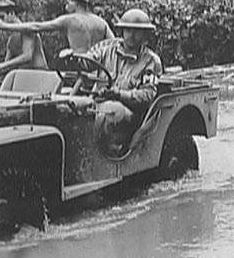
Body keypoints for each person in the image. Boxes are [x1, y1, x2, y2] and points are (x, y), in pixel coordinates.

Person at [60, 8, 163, 155]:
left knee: (111, 110)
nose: (131, 35)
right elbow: (87, 62)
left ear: (145, 34)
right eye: (127, 30)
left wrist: (119, 94)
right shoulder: (106, 48)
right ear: (121, 31)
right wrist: (72, 59)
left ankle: (95, 155)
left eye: (137, 31)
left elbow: (147, 95)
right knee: (64, 109)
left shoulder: (151, 61)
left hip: (130, 114)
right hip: (96, 102)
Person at [0, 0, 114, 53]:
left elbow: (37, 27)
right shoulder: (101, 23)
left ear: (77, 3)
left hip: (79, 70)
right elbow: (115, 44)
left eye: (69, 1)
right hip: (97, 71)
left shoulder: (70, 20)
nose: (66, 4)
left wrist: (4, 26)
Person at [0, 0, 48, 80]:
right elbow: (7, 66)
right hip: (23, 77)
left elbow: (27, 57)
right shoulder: (11, 40)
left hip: (40, 75)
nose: (0, 22)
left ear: (11, 13)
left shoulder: (27, 30)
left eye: (2, 17)